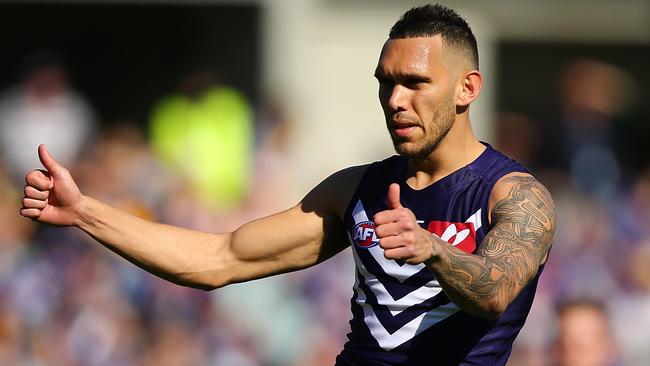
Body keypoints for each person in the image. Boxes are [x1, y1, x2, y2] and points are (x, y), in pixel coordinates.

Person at [19, 4, 555, 365]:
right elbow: (219, 258)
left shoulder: (514, 194)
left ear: (468, 88)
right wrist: (86, 211)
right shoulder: (356, 191)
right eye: (386, 84)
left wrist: (431, 248)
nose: (395, 100)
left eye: (415, 83)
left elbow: (496, 289)